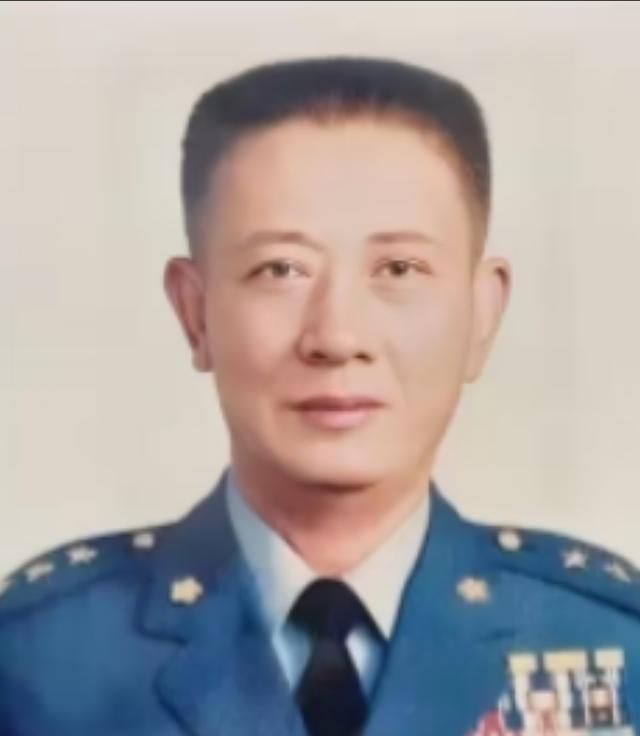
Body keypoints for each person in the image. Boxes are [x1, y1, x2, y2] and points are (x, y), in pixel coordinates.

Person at [1, 55, 639, 736]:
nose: (337, 336)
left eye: (399, 268)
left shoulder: (610, 637)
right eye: (281, 269)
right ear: (195, 313)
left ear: (482, 314)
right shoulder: (37, 660)